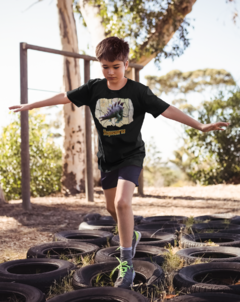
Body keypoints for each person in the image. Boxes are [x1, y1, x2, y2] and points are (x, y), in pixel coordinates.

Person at [9, 36, 229, 289]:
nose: (111, 72)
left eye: (116, 66)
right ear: (100, 65)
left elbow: (168, 109)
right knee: (112, 209)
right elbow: (64, 96)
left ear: (126, 64)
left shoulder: (138, 92)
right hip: (108, 159)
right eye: (105, 67)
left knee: (123, 203)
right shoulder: (94, 88)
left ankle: (126, 265)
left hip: (131, 155)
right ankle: (131, 234)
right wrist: (31, 105)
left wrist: (200, 125)